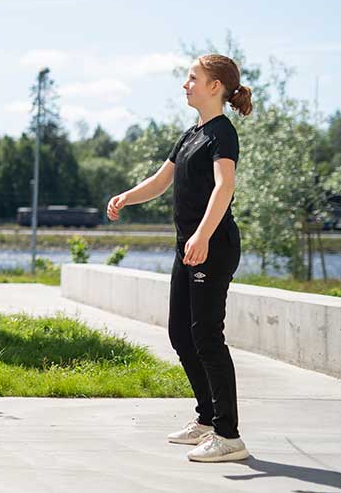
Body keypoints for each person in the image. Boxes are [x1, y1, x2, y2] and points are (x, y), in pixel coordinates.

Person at [107, 54, 253, 463]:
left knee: (207, 336)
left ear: (215, 86)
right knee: (180, 332)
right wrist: (125, 198)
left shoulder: (223, 134)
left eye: (193, 78)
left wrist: (203, 235)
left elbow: (224, 187)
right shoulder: (192, 134)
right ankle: (206, 420)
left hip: (212, 244)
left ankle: (229, 436)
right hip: (188, 245)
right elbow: (160, 181)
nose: (185, 85)